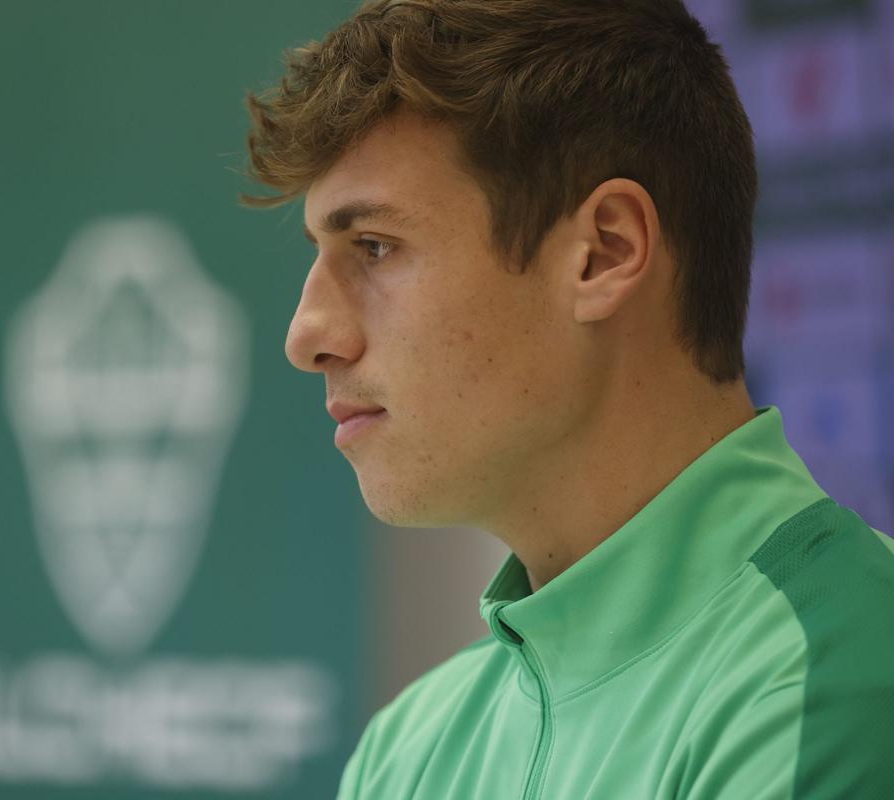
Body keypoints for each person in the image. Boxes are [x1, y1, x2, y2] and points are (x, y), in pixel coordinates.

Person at [241, 0, 894, 797]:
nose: (307, 334)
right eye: (323, 255)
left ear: (604, 253)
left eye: (374, 247)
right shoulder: (410, 747)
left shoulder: (840, 677)